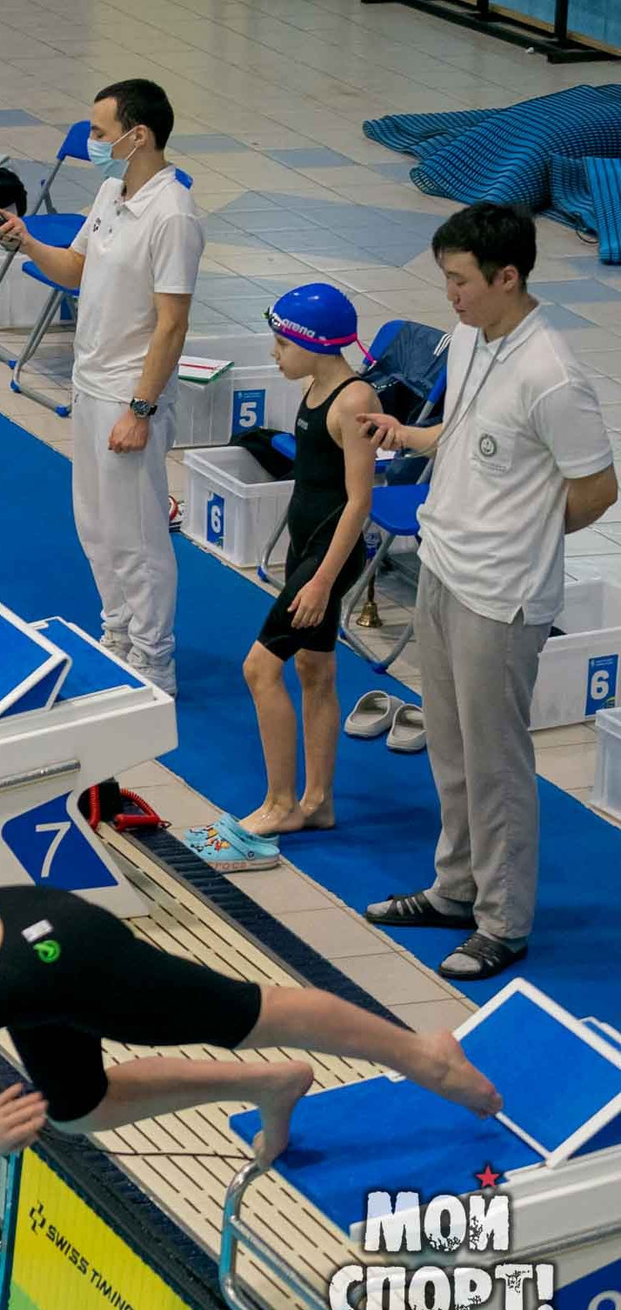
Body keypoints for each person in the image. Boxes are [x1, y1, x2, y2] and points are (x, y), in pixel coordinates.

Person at [0, 787, 502, 1167]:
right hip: (15, 949)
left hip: (55, 952)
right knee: (77, 1109)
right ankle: (268, 1085)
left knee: (251, 1007)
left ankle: (421, 1053)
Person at [359, 205, 618, 981]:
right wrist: (409, 437)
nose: (451, 296)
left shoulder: (554, 375)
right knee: (450, 748)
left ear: (509, 277)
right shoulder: (472, 338)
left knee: (497, 763)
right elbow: (469, 428)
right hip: (441, 563)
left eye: (462, 280)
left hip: (499, 597)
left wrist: (525, 536)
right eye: (446, 278)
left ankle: (503, 922)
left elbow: (598, 487)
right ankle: (456, 887)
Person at [0, 79, 200, 695]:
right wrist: (27, 240)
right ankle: (118, 633)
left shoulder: (173, 216)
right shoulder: (112, 190)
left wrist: (141, 407)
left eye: (102, 133)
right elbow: (78, 269)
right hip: (89, 381)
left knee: (138, 533)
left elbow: (173, 323)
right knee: (97, 526)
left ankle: (155, 658)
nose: (92, 142)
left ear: (140, 136)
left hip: (129, 394)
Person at [190, 285, 378, 873]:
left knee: (259, 667)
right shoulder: (316, 386)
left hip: (326, 559)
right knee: (313, 668)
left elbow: (358, 502)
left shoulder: (352, 401)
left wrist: (321, 581)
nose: (273, 353)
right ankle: (317, 803)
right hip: (308, 551)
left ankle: (278, 805)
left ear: (314, 344)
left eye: (280, 342)